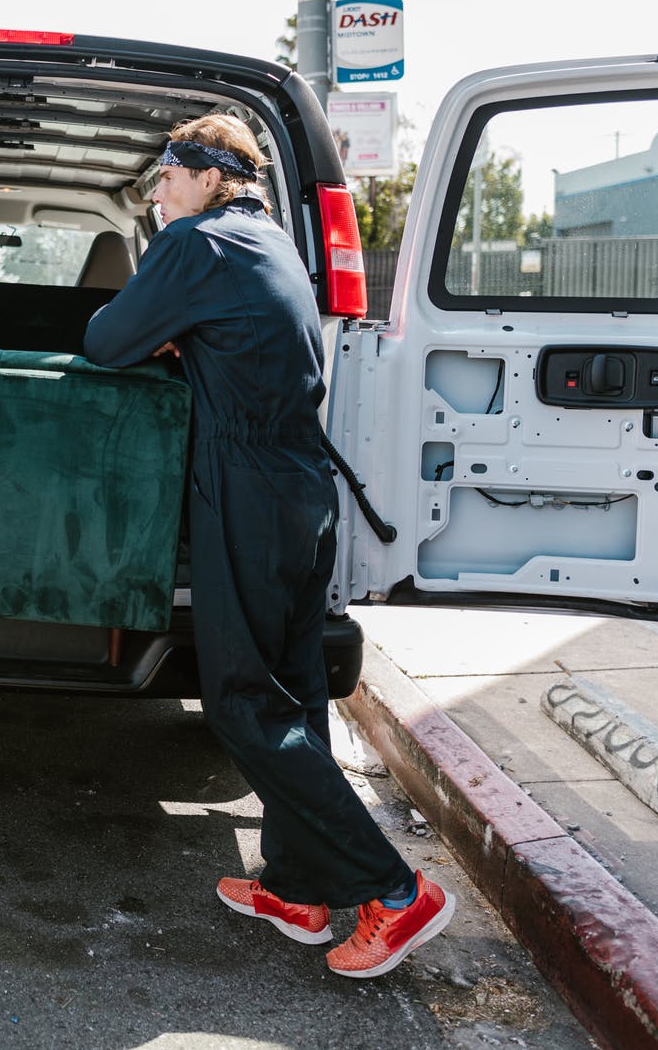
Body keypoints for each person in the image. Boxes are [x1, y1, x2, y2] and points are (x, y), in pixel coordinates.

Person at [83, 114, 450, 978]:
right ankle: (299, 885)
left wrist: (164, 326)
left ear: (212, 175)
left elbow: (103, 340)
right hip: (302, 490)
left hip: (245, 492)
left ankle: (396, 893)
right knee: (294, 693)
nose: (158, 189)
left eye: (168, 172)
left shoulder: (196, 244)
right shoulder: (274, 242)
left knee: (246, 702)